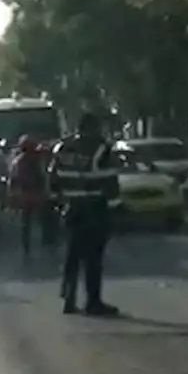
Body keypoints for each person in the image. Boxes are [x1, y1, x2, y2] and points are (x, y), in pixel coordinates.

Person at [49, 113, 120, 316]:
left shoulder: (62, 148)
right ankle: (93, 302)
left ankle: (68, 300)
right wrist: (116, 207)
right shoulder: (101, 148)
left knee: (72, 257)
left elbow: (53, 178)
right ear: (93, 127)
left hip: (71, 208)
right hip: (95, 208)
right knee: (93, 259)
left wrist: (58, 203)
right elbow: (110, 180)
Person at [9, 135, 48, 258]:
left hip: (25, 194)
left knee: (26, 222)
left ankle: (27, 245)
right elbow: (44, 177)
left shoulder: (17, 161)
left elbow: (13, 180)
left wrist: (12, 194)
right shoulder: (38, 161)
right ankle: (46, 241)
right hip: (36, 193)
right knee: (42, 219)